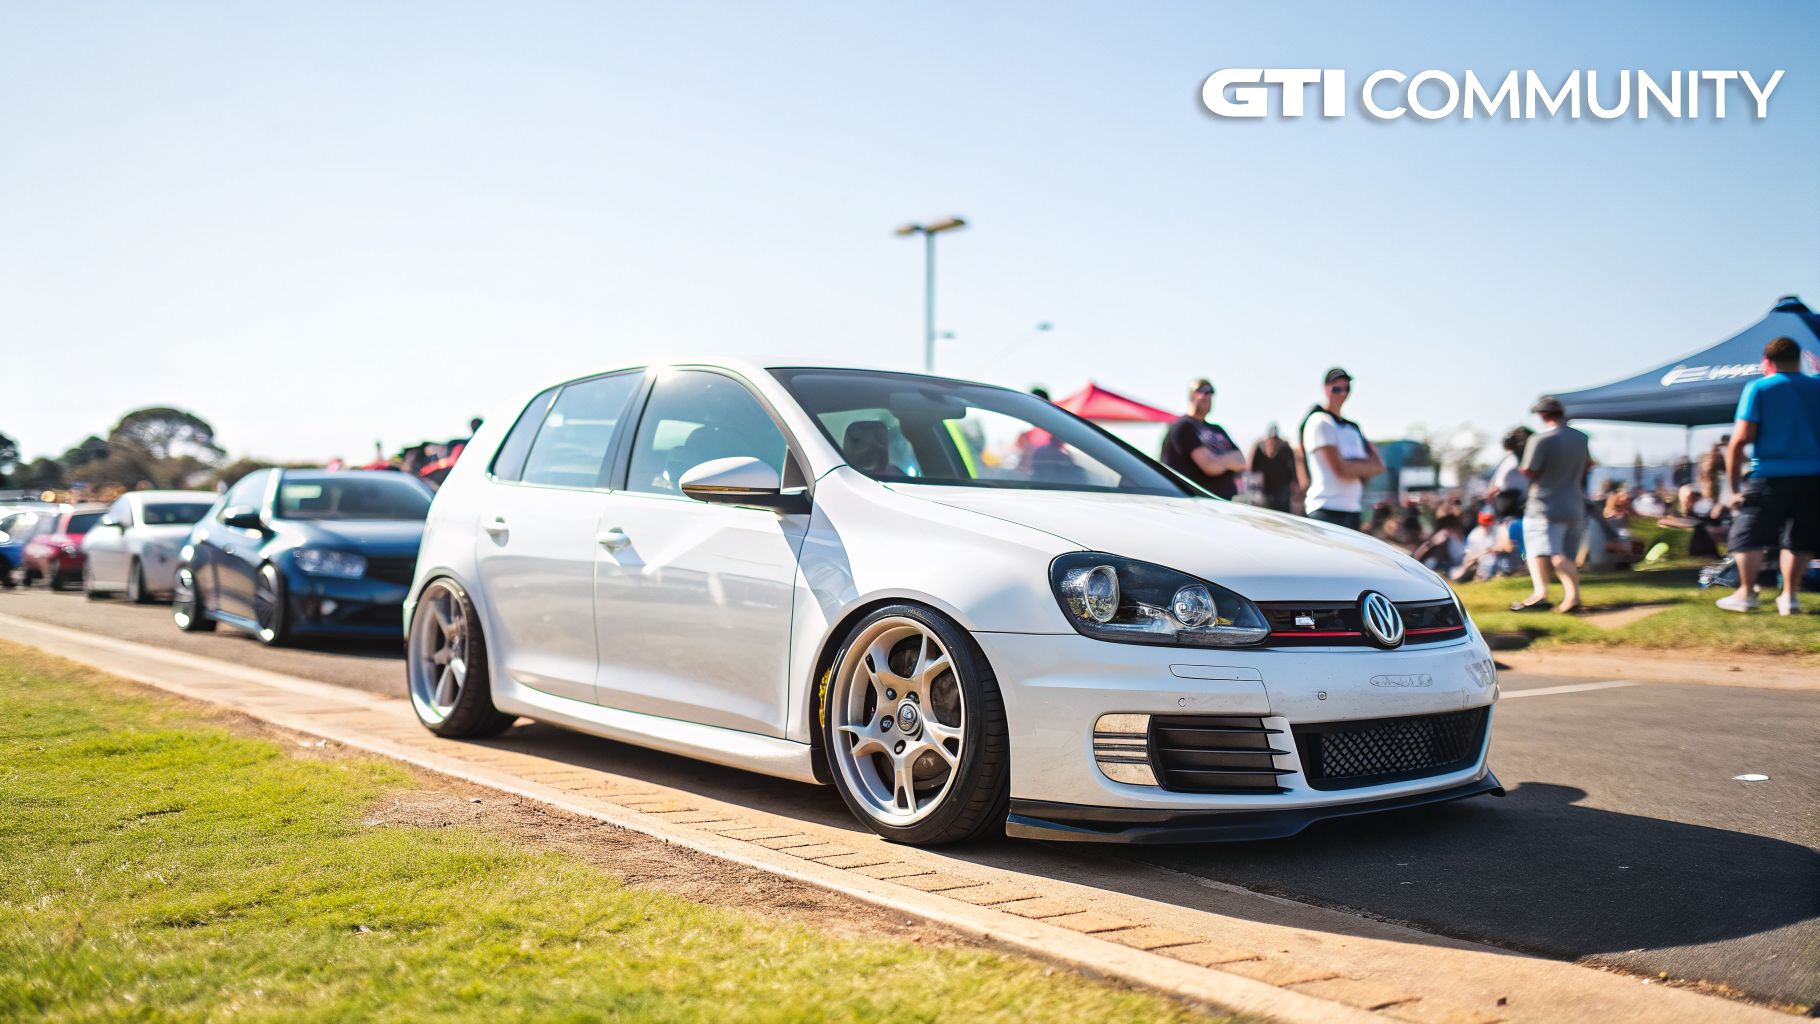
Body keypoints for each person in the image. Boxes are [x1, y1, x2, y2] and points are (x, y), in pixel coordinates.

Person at [1716, 336, 1820, 615]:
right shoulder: (1817, 386)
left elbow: (1740, 439)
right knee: (1800, 539)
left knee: (1747, 535)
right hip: (1813, 476)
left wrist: (1734, 489)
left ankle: (1746, 593)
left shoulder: (1759, 387)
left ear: (1767, 362)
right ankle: (1789, 597)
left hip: (1770, 475)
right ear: (1798, 359)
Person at [1511, 396, 1592, 614]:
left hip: (1543, 505)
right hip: (1574, 503)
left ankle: (1543, 595)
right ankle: (1571, 596)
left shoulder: (1540, 439)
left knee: (1542, 552)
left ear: (1543, 415)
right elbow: (1588, 465)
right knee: (1566, 555)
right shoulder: (1581, 438)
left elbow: (1529, 471)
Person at [1298, 367, 1382, 528]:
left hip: (1353, 510)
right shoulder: (1319, 421)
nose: (1342, 393)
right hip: (1326, 509)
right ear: (1326, 389)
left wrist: (1352, 466)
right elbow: (1340, 469)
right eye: (1337, 389)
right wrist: (1363, 467)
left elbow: (1379, 465)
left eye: (1346, 388)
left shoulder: (1353, 427)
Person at [1160, 379, 1245, 499]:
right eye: (1202, 390)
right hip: (1194, 501)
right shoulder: (1183, 426)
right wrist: (1227, 460)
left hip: (1223, 502)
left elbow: (1241, 461)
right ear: (1191, 395)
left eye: (1211, 392)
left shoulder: (1218, 429)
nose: (1207, 395)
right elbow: (1210, 466)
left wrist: (1217, 460)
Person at [1248, 423, 1296, 512]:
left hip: (1282, 494)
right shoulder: (1258, 448)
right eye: (1271, 439)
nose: (1273, 442)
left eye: (1275, 439)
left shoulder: (1286, 449)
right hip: (1263, 493)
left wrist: (1294, 487)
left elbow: (1293, 471)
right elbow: (1252, 471)